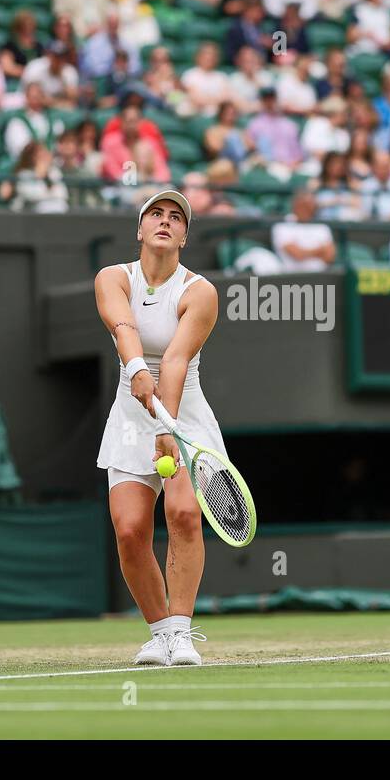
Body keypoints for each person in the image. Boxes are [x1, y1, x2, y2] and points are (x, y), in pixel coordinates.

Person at [94, 188, 224, 667]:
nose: (165, 221)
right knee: (129, 530)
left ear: (185, 236)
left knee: (186, 514)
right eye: (156, 214)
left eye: (176, 218)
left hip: (183, 411)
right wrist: (134, 370)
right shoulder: (112, 277)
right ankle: (160, 633)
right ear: (140, 229)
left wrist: (166, 427)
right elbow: (123, 326)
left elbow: (174, 358)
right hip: (130, 414)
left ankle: (184, 634)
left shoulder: (200, 292)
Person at [271, 188, 335, 273]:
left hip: (321, 277)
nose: (309, 207)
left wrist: (306, 253)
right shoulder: (282, 225)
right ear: (296, 204)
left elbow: (329, 256)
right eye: (305, 204)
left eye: (311, 204)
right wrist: (319, 251)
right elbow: (297, 254)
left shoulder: (322, 225)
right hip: (292, 279)